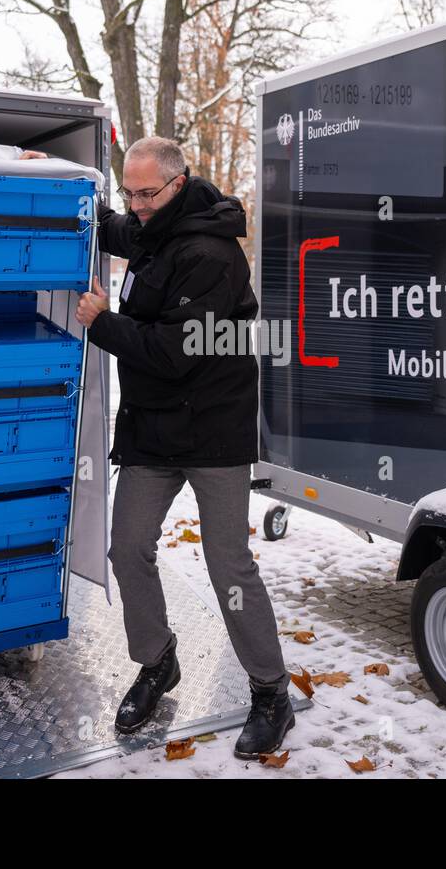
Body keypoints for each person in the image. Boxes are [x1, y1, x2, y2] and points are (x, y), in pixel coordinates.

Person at [75, 136, 293, 759]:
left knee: (228, 565)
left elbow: (173, 354)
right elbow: (116, 229)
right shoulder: (156, 223)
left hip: (213, 432)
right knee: (127, 547)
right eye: (130, 192)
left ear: (178, 183)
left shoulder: (210, 254)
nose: (136, 206)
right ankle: (157, 660)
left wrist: (103, 322)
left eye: (147, 193)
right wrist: (54, 181)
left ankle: (270, 692)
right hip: (153, 430)